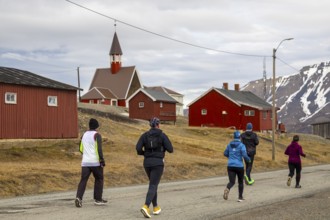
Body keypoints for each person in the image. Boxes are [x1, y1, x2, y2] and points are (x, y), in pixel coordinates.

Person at [136, 117, 174, 218]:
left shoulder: (144, 135)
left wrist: (144, 153)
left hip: (147, 163)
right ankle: (146, 206)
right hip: (158, 163)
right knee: (153, 185)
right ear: (158, 125)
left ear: (150, 125)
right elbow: (171, 149)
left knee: (153, 184)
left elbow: (138, 148)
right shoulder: (162, 135)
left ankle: (156, 207)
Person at [75, 118, 107, 208]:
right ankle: (98, 199)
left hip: (85, 162)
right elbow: (99, 149)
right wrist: (102, 160)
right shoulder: (97, 135)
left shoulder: (83, 135)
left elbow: (80, 149)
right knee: (99, 179)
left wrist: (86, 155)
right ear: (97, 126)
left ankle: (78, 197)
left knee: (83, 180)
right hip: (95, 162)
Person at [223, 131, 251, 202]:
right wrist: (248, 160)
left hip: (230, 165)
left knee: (232, 182)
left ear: (234, 137)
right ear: (240, 137)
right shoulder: (242, 145)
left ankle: (227, 188)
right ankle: (240, 197)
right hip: (239, 166)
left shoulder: (229, 145)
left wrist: (231, 157)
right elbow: (244, 155)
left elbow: (225, 153)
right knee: (240, 182)